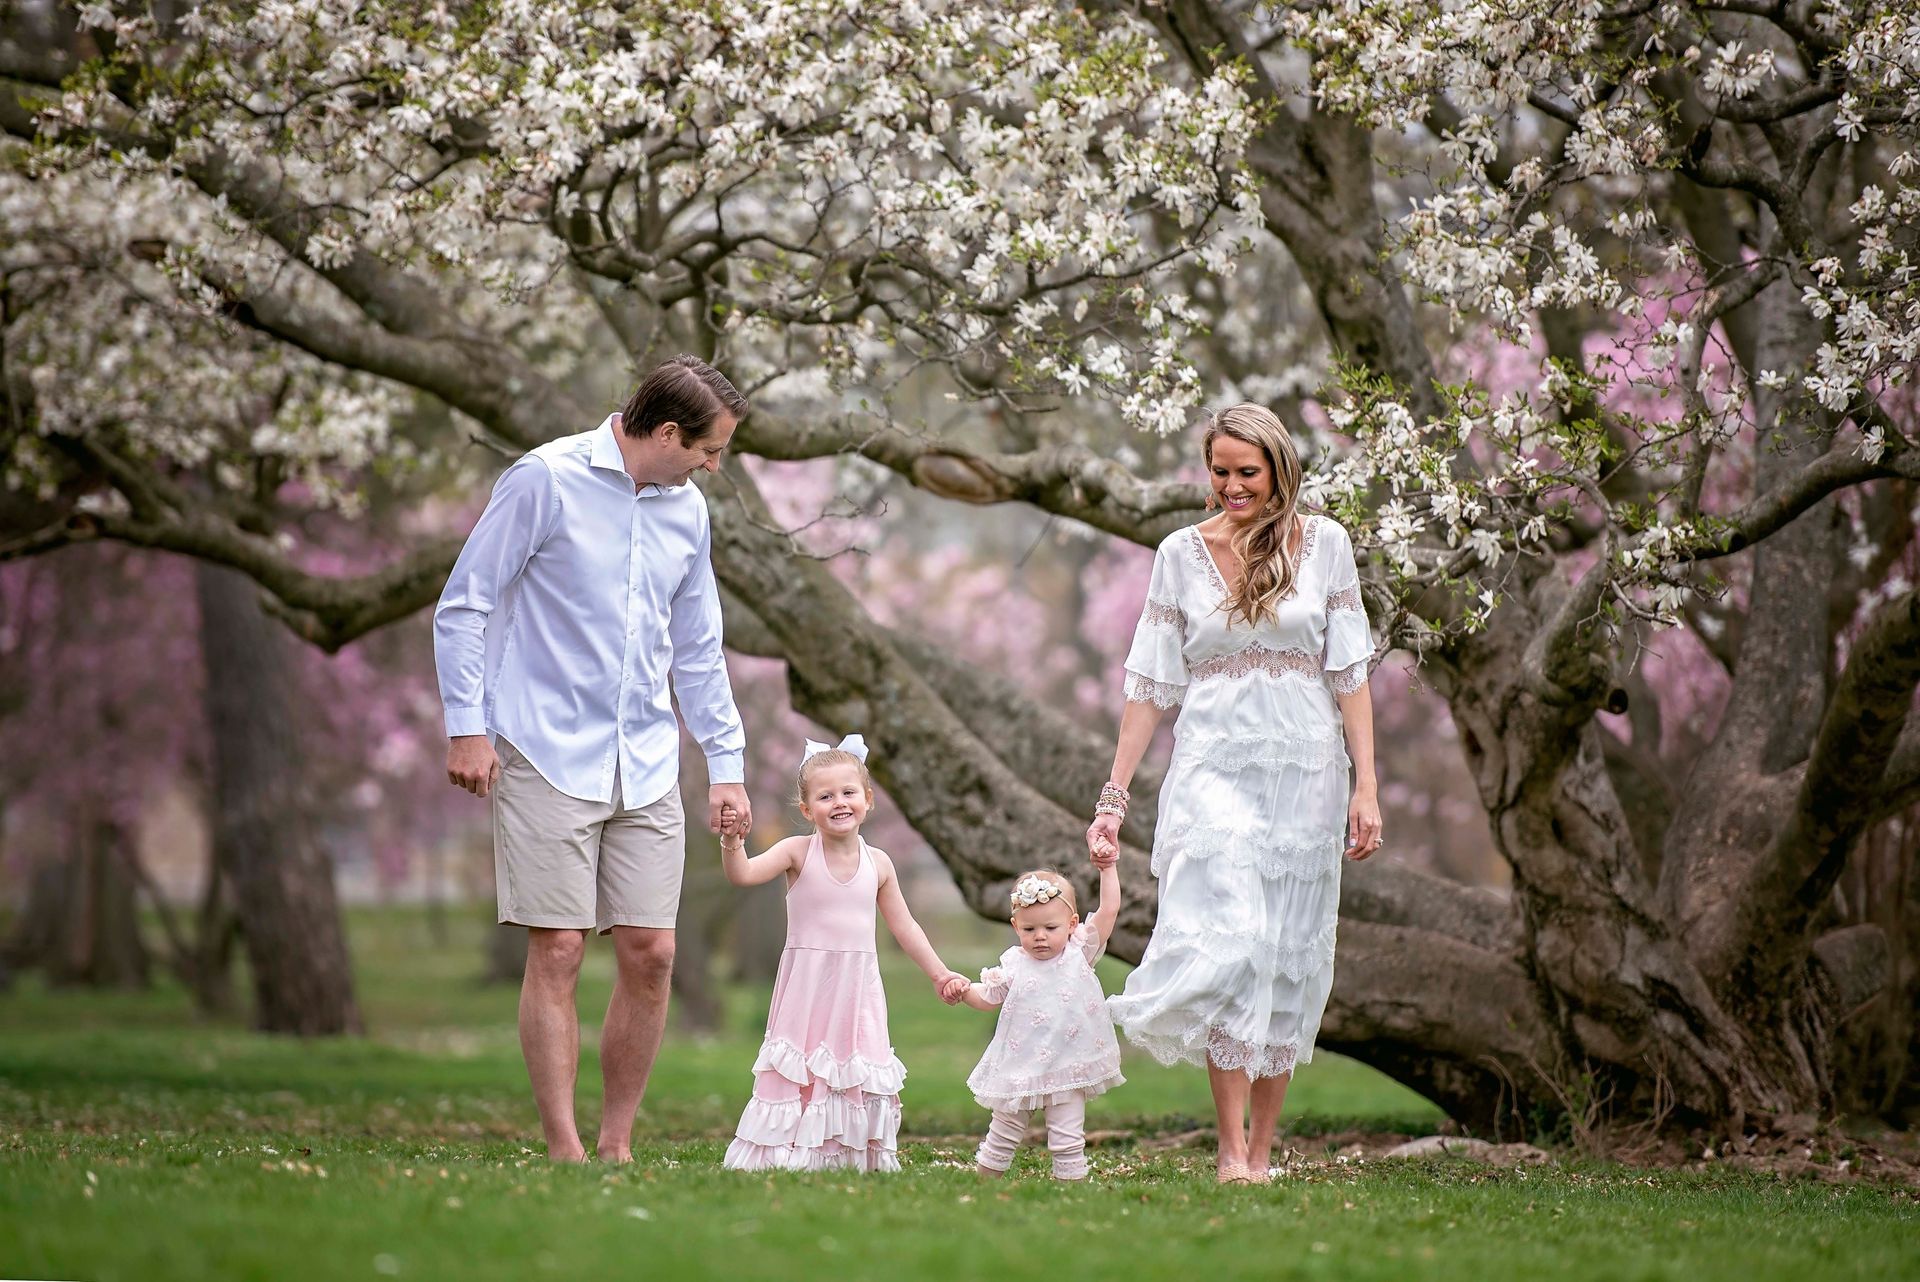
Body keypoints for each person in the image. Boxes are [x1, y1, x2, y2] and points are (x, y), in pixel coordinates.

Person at [433, 355, 753, 1164]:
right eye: (711, 451)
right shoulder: (545, 479)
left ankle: (617, 1143)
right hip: (543, 746)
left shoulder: (687, 512)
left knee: (654, 952)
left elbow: (699, 647)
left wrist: (726, 761)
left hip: (644, 757)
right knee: (562, 946)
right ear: (670, 433)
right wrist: (467, 727)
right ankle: (563, 1144)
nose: (715, 469)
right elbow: (466, 602)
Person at [1088, 402, 1383, 1184]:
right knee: (1234, 936)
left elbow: (1349, 675)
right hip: (1213, 764)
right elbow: (1150, 686)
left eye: (1246, 472)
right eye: (1219, 471)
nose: (1230, 487)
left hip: (1307, 771)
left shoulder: (1327, 548)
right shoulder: (1180, 554)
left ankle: (1261, 1151)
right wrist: (1113, 797)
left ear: (1279, 469)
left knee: (1285, 954)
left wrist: (1367, 787)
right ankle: (1226, 1150)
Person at [718, 736, 968, 1172]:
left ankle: (847, 1153)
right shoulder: (796, 852)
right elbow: (744, 875)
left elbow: (904, 925)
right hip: (809, 984)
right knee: (803, 1062)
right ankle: (786, 1148)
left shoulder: (880, 863)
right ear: (806, 809)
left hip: (857, 988)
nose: (839, 802)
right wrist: (732, 843)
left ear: (868, 800)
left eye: (849, 793)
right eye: (825, 796)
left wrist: (938, 973)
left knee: (853, 1063)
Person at [952, 867, 1124, 1181]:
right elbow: (988, 997)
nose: (1040, 936)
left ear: (1072, 925)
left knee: (1067, 1135)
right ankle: (985, 1182)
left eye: (1050, 927)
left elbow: (1109, 909)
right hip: (1021, 1065)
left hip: (1068, 1063)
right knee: (1003, 1130)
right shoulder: (1015, 964)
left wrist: (1107, 868)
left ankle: (1068, 1186)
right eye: (1029, 929)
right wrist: (964, 992)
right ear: (1016, 926)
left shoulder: (1078, 952)